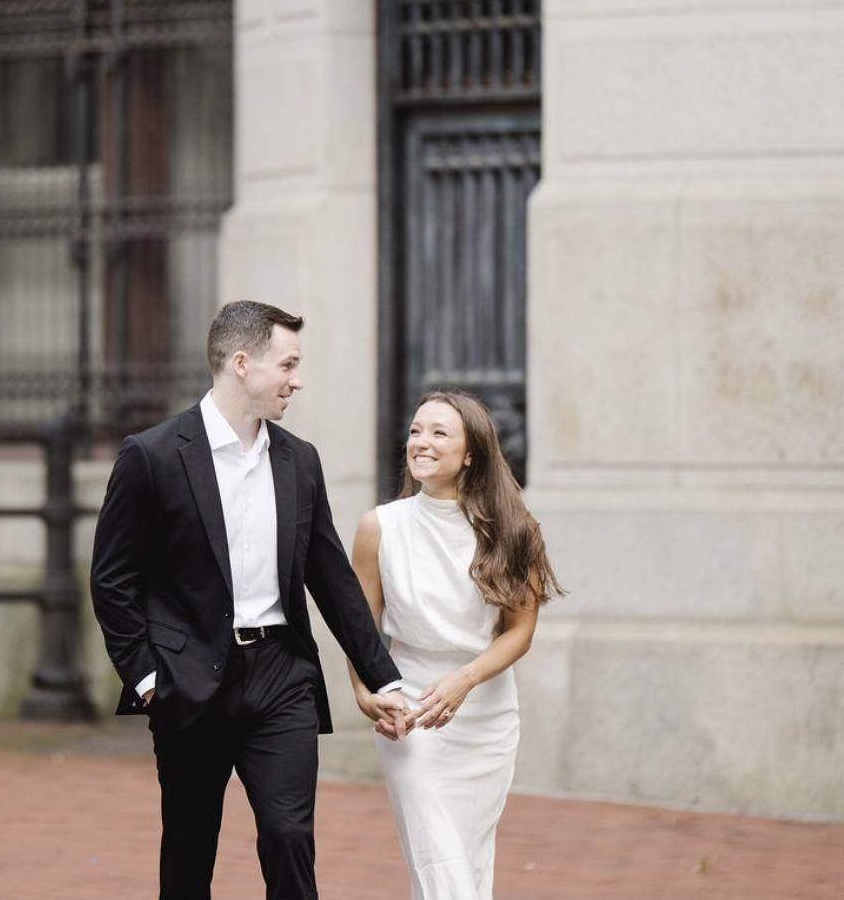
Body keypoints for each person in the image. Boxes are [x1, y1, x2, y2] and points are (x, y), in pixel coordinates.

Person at [90, 300, 411, 900]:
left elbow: (332, 578)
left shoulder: (299, 460)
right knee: (190, 850)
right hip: (188, 682)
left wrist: (384, 679)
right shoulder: (151, 456)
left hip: (281, 675)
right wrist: (147, 678)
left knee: (289, 836)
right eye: (287, 365)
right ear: (242, 363)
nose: (297, 380)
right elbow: (112, 580)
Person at [349, 390, 563, 900]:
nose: (420, 442)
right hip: (409, 711)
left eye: (439, 433)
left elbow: (519, 631)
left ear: (471, 454)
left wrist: (465, 680)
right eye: (415, 431)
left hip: (486, 714)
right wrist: (365, 692)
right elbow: (361, 628)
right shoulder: (379, 527)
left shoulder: (515, 530)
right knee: (438, 855)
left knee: (467, 856)